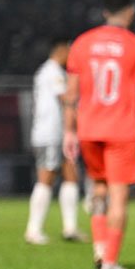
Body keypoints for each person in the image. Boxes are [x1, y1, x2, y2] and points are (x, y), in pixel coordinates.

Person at [63, 0, 135, 269]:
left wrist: (69, 131)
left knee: (99, 188)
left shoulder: (82, 43)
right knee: (118, 197)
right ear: (131, 12)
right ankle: (110, 261)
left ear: (105, 12)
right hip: (121, 130)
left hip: (89, 128)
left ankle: (99, 248)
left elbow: (70, 94)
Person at [25, 37, 85, 245]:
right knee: (46, 178)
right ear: (61, 50)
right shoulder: (52, 73)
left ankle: (70, 227)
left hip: (57, 134)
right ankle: (33, 230)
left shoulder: (50, 72)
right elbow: (66, 99)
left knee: (71, 175)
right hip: (49, 133)